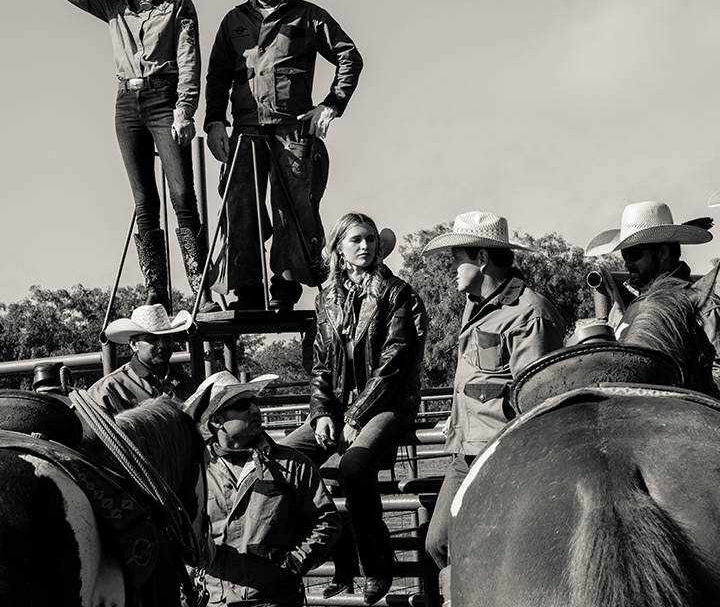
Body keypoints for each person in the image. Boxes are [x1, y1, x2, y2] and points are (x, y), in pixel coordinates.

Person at [57, 0, 215, 312]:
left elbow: (189, 57)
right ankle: (155, 291)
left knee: (182, 194)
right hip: (126, 102)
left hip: (165, 98)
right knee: (145, 200)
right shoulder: (114, 8)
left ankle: (199, 288)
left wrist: (184, 109)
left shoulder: (177, 1)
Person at [204, 0, 364, 310]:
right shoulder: (233, 21)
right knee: (239, 207)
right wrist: (214, 122)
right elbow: (217, 76)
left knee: (292, 209)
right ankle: (246, 289)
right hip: (244, 130)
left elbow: (348, 56)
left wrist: (332, 104)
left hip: (292, 130)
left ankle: (285, 288)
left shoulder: (308, 15)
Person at [282, 213, 427, 605]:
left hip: (388, 402)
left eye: (370, 240)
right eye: (356, 240)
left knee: (354, 466)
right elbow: (320, 366)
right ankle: (337, 550)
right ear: (339, 249)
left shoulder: (397, 293)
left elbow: (393, 364)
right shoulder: (326, 299)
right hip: (342, 406)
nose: (365, 246)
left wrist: (354, 417)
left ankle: (378, 565)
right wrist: (323, 412)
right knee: (286, 457)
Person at [421, 211, 565, 600]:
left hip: (502, 454)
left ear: (481, 259)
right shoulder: (475, 305)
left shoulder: (530, 312)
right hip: (465, 451)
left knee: (484, 545)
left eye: (457, 258)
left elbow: (534, 398)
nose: (452, 268)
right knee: (439, 542)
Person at [183, 370, 341, 607]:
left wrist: (294, 563)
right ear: (216, 421)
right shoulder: (196, 470)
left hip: (275, 599)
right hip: (215, 599)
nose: (255, 410)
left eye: (254, 402)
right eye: (242, 405)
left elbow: (326, 521)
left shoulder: (292, 464)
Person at [586, 200, 719, 392]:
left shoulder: (704, 307)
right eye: (625, 255)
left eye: (635, 254)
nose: (627, 264)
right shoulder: (634, 307)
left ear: (663, 253)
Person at [88, 304, 195, 415]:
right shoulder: (107, 389)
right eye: (152, 339)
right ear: (134, 344)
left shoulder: (186, 383)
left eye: (167, 337)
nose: (162, 345)